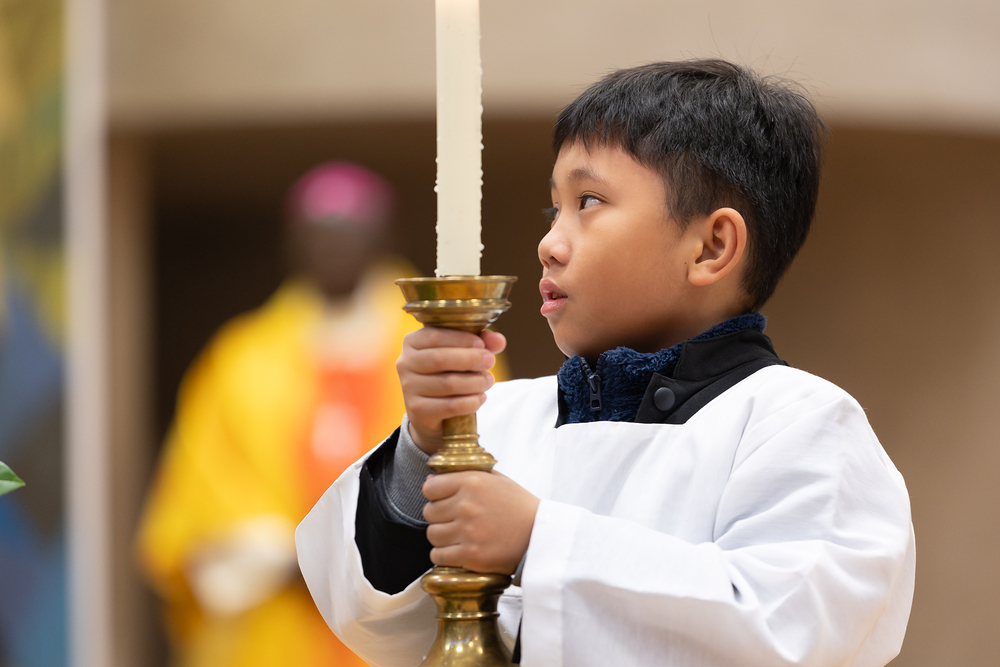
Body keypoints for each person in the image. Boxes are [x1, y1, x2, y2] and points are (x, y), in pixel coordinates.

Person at [295, 60, 915, 667]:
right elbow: (383, 629)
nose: (548, 244)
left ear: (711, 246)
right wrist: (423, 448)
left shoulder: (799, 424)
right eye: (553, 210)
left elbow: (791, 634)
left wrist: (538, 540)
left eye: (588, 201)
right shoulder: (499, 417)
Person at [137, 163, 421, 667]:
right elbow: (196, 504)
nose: (333, 247)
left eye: (351, 231)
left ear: (384, 238)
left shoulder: (441, 347)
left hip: (400, 620)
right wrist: (274, 553)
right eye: (319, 234)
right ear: (291, 243)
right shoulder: (239, 359)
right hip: (278, 633)